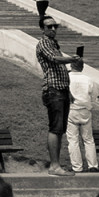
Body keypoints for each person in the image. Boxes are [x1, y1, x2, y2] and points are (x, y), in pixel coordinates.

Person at [35, 17, 74, 176]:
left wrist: (68, 91)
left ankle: (56, 165)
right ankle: (54, 165)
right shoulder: (44, 43)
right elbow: (55, 59)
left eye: (55, 26)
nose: (53, 29)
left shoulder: (53, 43)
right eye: (49, 26)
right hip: (53, 89)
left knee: (59, 129)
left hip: (61, 89)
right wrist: (71, 59)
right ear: (42, 29)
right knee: (55, 128)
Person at [66, 55, 99, 174]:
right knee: (89, 139)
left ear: (71, 65)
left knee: (73, 139)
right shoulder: (88, 79)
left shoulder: (66, 78)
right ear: (82, 67)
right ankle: (93, 165)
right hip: (85, 109)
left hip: (71, 109)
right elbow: (94, 96)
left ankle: (77, 167)